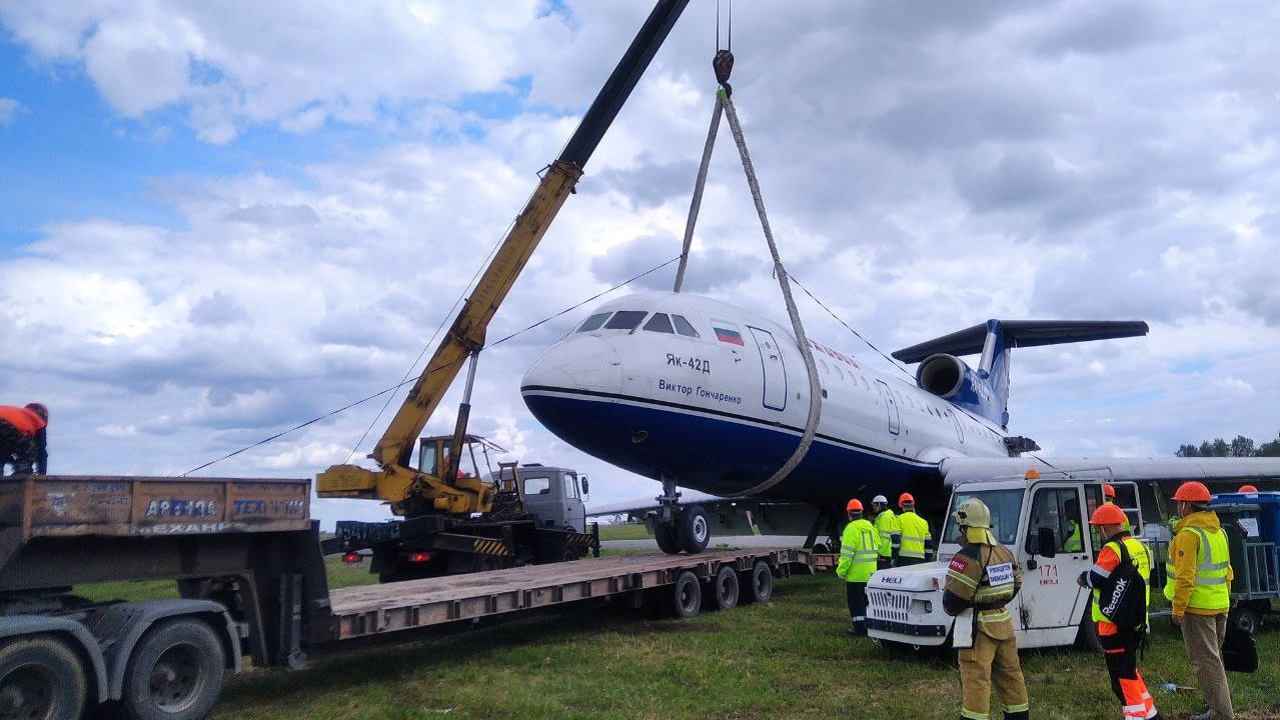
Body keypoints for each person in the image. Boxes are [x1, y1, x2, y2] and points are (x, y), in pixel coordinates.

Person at [943, 497, 1029, 720]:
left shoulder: (968, 556)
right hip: (1003, 622)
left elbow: (952, 600)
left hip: (977, 628)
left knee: (976, 678)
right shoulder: (1004, 552)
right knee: (1011, 676)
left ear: (966, 526)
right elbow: (1016, 584)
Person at [1078, 503, 1163, 720]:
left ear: (1105, 527)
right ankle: (1151, 714)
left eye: (1098, 528)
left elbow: (1095, 578)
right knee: (1130, 669)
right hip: (1137, 621)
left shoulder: (1112, 549)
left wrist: (1082, 577)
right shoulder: (1140, 547)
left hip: (1112, 623)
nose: (1098, 532)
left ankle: (1135, 716)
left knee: (1121, 677)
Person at [1165, 481, 1233, 720]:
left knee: (1206, 664)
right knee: (1215, 660)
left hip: (1197, 609)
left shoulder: (1188, 535)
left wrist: (1178, 609)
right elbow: (1228, 572)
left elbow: (1185, 577)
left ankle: (1223, 715)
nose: (1177, 509)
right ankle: (1217, 710)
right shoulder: (1219, 531)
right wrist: (1224, 602)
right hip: (1219, 605)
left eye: (1178, 504)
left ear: (1185, 505)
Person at [836, 498, 878, 636]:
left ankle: (859, 629)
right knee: (868, 602)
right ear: (861, 512)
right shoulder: (871, 527)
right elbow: (879, 546)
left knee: (856, 604)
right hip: (871, 573)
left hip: (856, 575)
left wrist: (841, 571)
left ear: (849, 514)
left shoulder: (850, 529)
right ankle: (871, 627)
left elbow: (847, 554)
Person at [0, 403, 48, 475]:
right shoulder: (38, 421)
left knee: (2, 452)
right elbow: (41, 452)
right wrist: (42, 474)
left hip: (4, 428)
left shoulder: (17, 414)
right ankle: (23, 470)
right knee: (30, 447)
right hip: (3, 425)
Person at [897, 492, 934, 565]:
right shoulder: (923, 522)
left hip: (903, 559)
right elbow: (929, 543)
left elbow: (895, 540)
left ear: (901, 506)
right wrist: (928, 559)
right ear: (913, 505)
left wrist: (894, 556)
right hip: (920, 559)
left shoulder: (899, 519)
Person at [871, 494, 900, 569]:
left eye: (874, 505)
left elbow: (884, 537)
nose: (873, 507)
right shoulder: (887, 515)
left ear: (879, 504)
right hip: (887, 552)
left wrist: (880, 553)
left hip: (884, 553)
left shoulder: (884, 517)